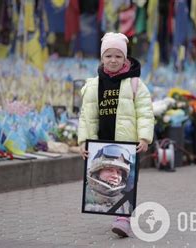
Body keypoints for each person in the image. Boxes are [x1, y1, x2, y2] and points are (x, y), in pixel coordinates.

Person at [78, 32, 154, 238]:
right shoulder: (93, 85)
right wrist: (84, 141)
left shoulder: (135, 84)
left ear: (126, 59)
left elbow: (146, 113)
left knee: (127, 180)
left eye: (118, 56)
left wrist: (144, 137)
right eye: (109, 56)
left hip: (127, 144)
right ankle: (108, 206)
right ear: (102, 58)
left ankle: (123, 219)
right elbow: (87, 116)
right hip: (102, 144)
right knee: (105, 178)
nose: (113, 60)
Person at [85, 145, 132, 214]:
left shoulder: (126, 203)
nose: (115, 176)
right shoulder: (84, 196)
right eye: (109, 170)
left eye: (119, 172)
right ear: (97, 172)